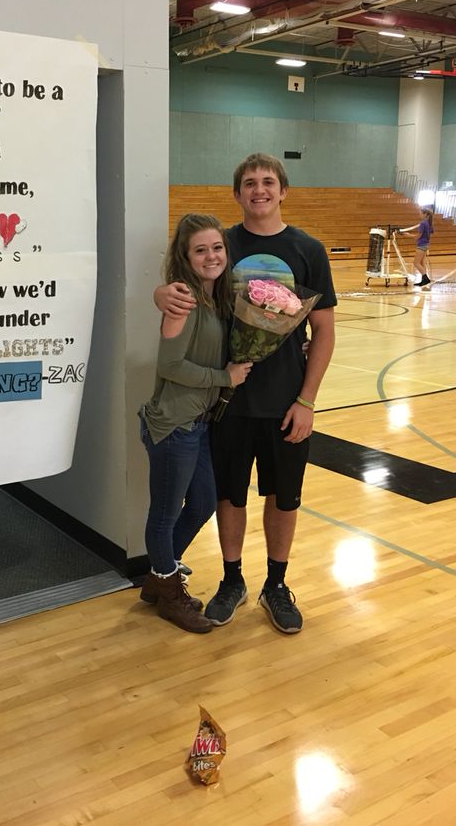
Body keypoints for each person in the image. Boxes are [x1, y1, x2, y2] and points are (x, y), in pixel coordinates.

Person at [155, 154, 336, 634]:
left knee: (284, 497)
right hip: (226, 405)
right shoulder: (224, 244)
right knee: (229, 496)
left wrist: (307, 401)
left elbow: (324, 331)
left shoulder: (308, 249)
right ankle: (231, 579)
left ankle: (276, 585)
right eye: (249, 183)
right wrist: (161, 295)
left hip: (285, 405)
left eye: (268, 182)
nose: (259, 190)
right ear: (237, 194)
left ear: (283, 191)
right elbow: (183, 280)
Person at [139, 213, 253, 634]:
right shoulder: (183, 298)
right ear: (186, 258)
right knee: (165, 515)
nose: (211, 256)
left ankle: (159, 577)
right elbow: (170, 365)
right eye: (200, 249)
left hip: (201, 424)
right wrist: (225, 378)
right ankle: (169, 595)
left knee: (204, 502)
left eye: (217, 247)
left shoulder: (218, 299)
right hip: (173, 427)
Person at [398, 208, 434, 286]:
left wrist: (408, 235)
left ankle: (426, 279)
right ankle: (423, 280)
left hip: (421, 245)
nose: (419, 215)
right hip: (426, 244)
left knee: (416, 263)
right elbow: (430, 233)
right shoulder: (429, 223)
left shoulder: (423, 223)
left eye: (421, 213)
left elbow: (418, 236)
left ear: (425, 214)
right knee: (422, 263)